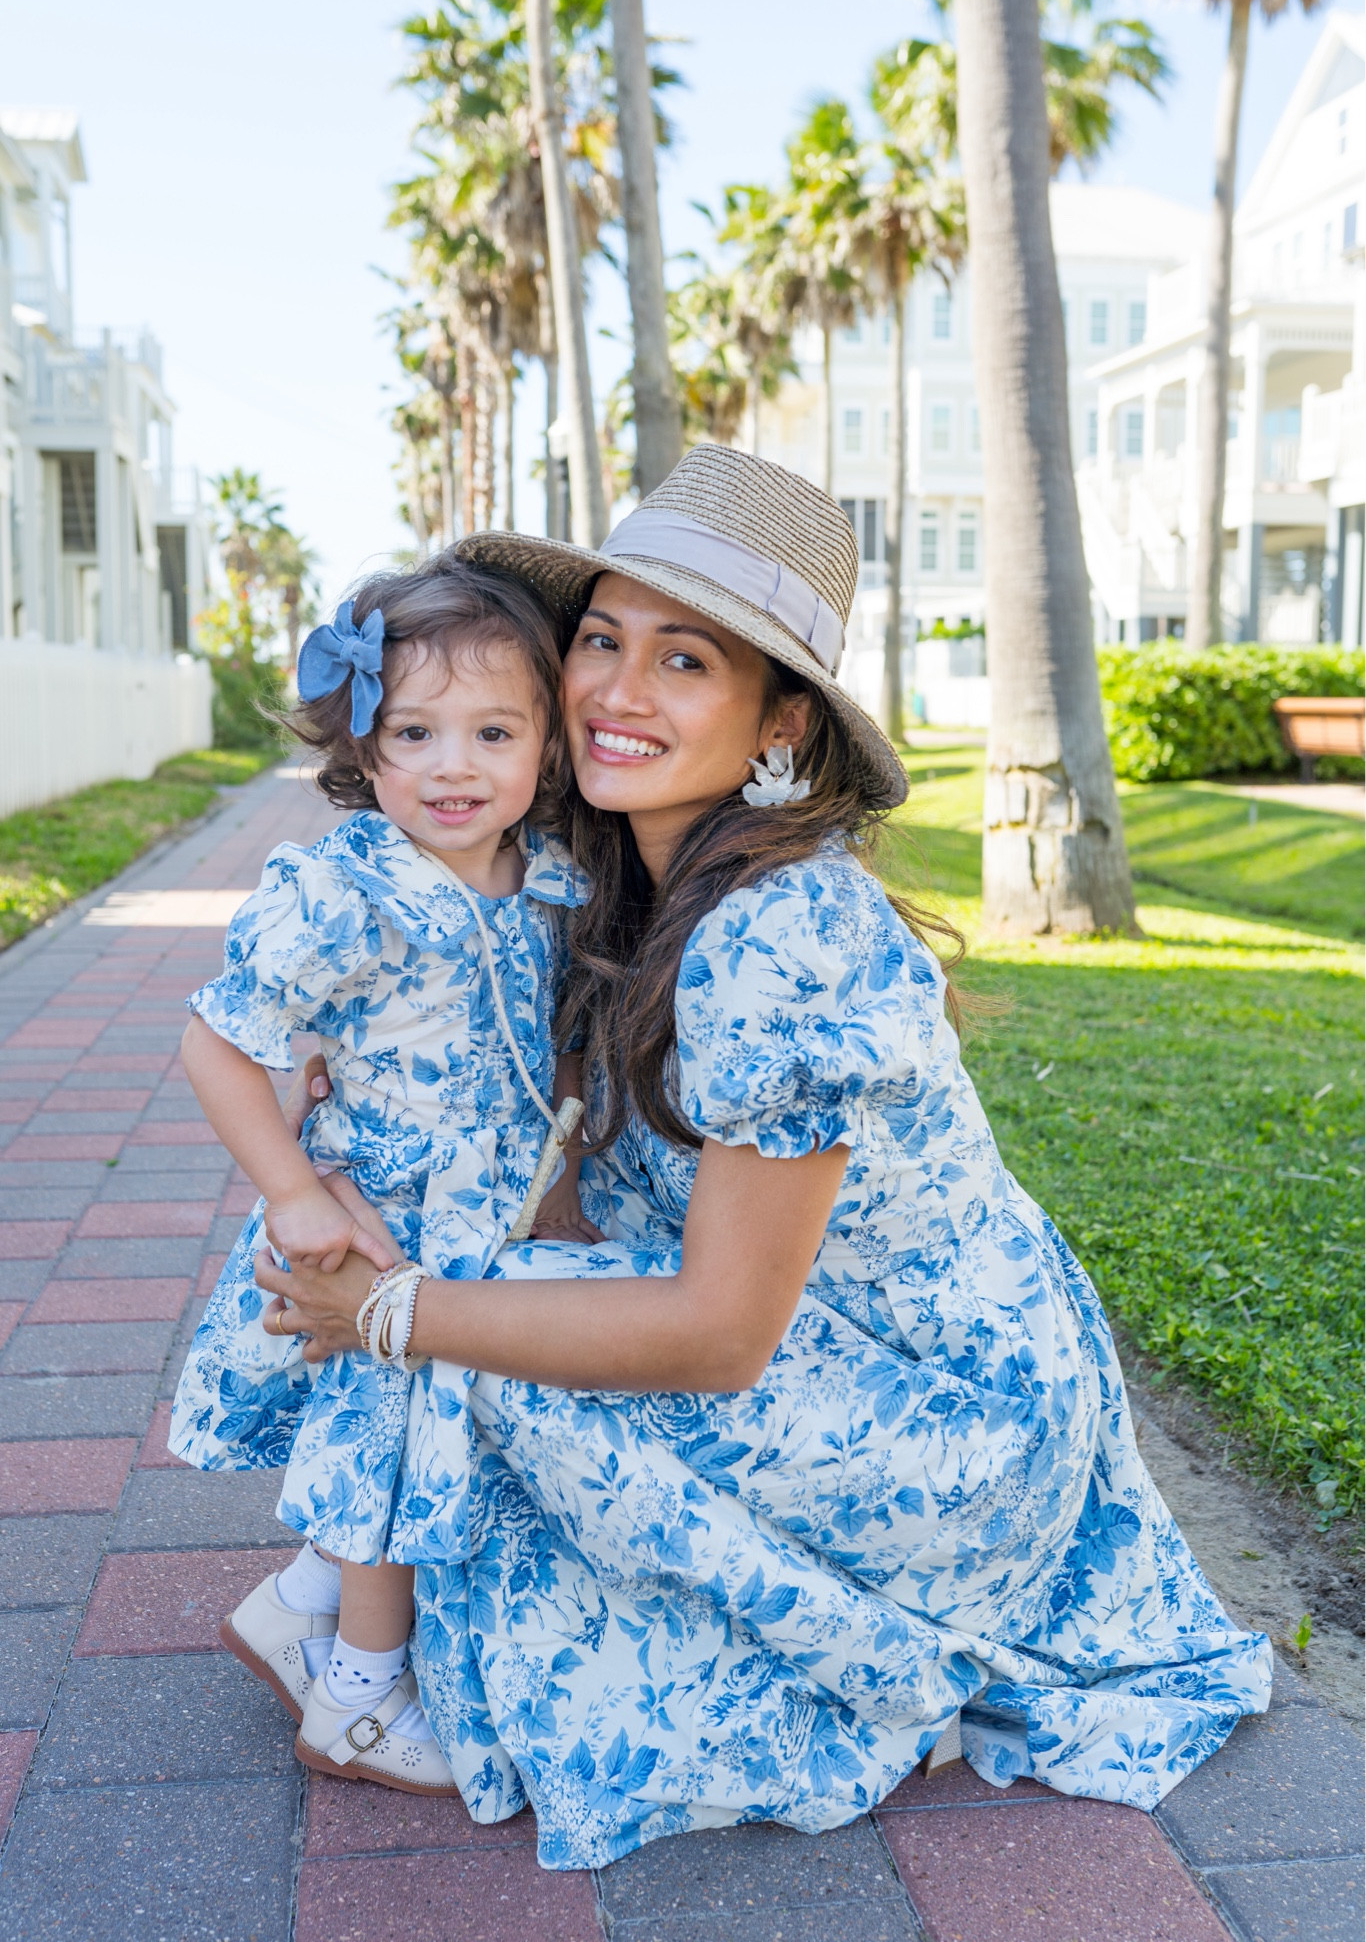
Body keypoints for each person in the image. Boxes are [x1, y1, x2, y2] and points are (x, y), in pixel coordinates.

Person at [261, 445, 1272, 1872]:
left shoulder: (783, 937)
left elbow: (718, 1333)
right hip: (830, 1344)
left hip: (946, 1420)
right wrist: (357, 1104)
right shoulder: (620, 877)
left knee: (465, 1336)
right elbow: (550, 1168)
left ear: (779, 722)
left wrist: (389, 1310)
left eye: (685, 661)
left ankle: (370, 1626)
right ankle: (342, 1597)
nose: (616, 690)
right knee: (443, 1262)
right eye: (602, 640)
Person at [168, 557, 591, 1795]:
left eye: (493, 732)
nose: (453, 766)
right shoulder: (346, 889)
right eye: (414, 732)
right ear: (364, 742)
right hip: (385, 1219)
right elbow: (217, 1042)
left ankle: (300, 1601)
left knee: (443, 1430)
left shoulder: (549, 871)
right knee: (388, 1443)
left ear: (546, 746)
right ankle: (357, 1690)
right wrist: (295, 1191)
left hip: (494, 1208)